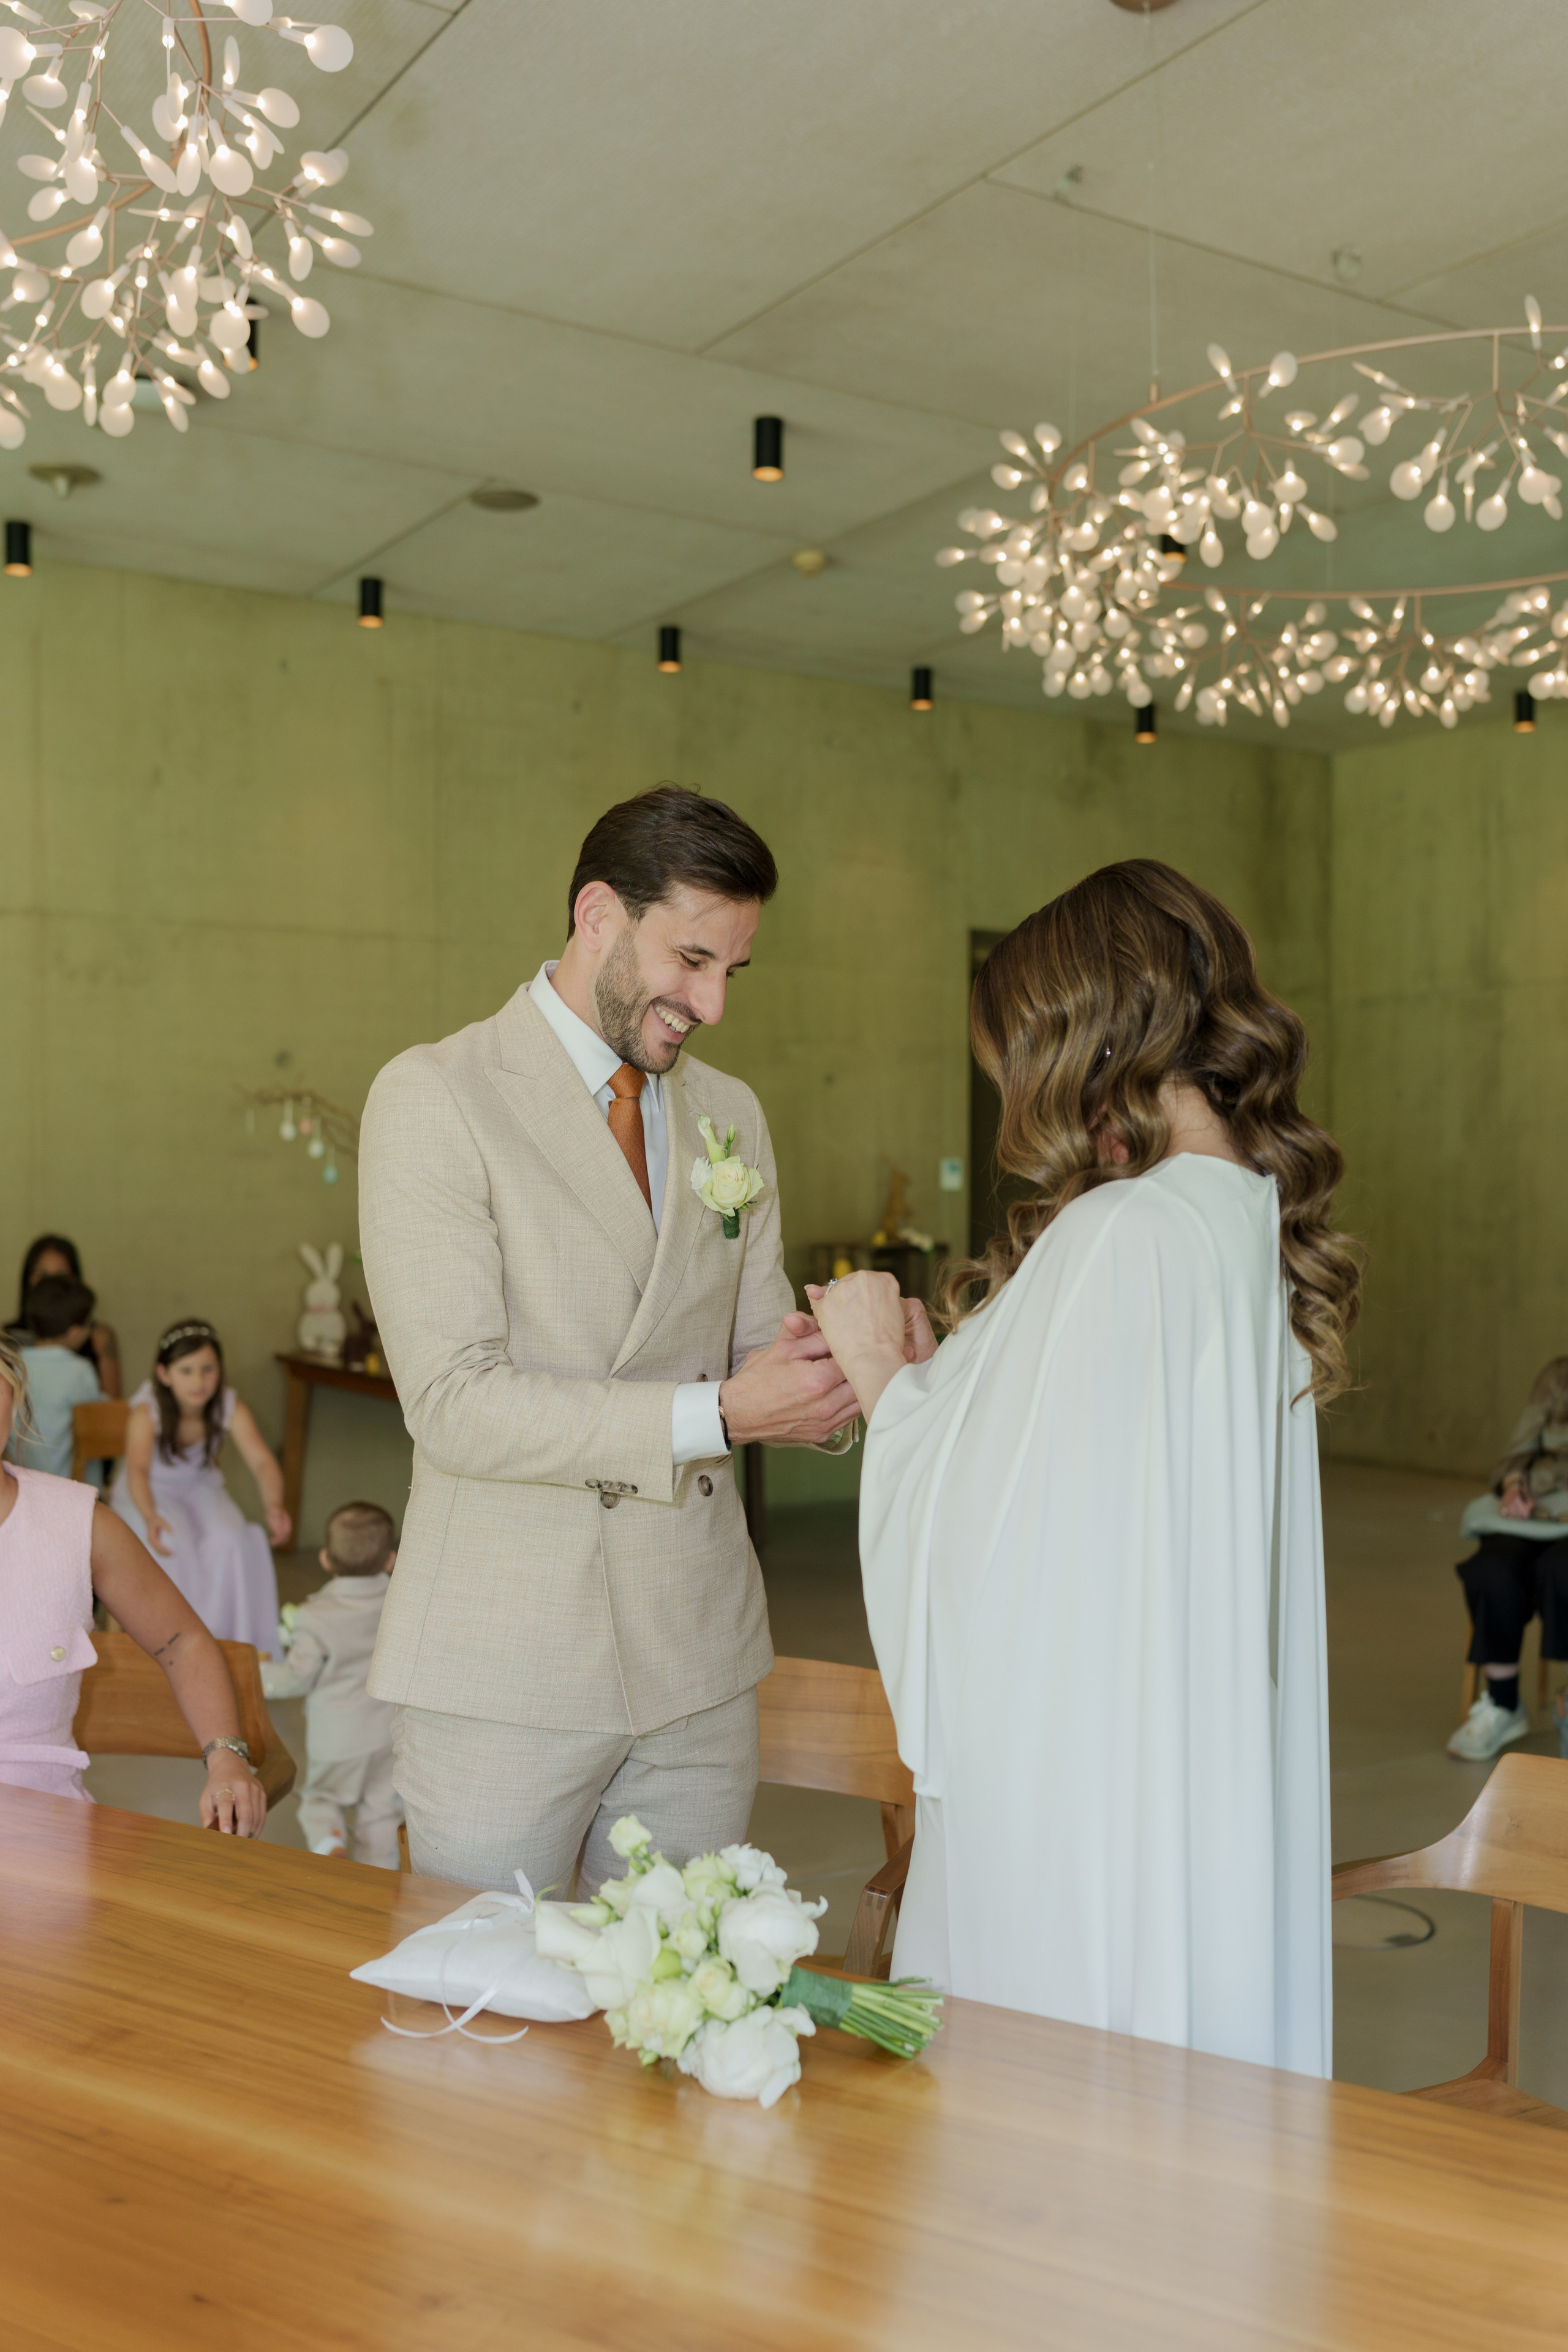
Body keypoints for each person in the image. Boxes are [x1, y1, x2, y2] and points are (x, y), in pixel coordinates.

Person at [812, 858, 1361, 2078]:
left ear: (1079, 1034)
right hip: (1194, 1784)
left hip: (1092, 1810)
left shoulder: (1118, 1234)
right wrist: (946, 1383)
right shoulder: (1235, 1218)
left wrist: (881, 1385)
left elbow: (983, 1554)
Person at [360, 783, 859, 1894]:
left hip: (699, 1658)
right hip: (508, 1661)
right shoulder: (436, 1095)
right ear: (598, 917)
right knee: (480, 2026)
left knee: (680, 2013)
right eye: (692, 960)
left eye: (734, 970)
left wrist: (850, 1371)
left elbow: (752, 1358)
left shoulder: (733, 1113)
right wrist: (722, 1414)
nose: (714, 1004)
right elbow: (455, 1402)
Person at [0, 1333, 266, 1831]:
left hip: (46, 1829)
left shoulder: (78, 1523)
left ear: (13, 1396)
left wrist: (227, 1757)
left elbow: (182, 1642)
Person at [110, 1321, 290, 1657]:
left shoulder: (228, 1404)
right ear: (164, 1374)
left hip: (201, 1486)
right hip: (149, 1490)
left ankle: (229, 1643)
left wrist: (274, 1505)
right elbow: (136, 1470)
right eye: (186, 1370)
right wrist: (150, 1516)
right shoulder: (147, 1410)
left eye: (208, 1369)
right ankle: (180, 1647)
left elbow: (262, 1461)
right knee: (173, 1541)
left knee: (230, 1540)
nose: (198, 1381)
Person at [262, 1501, 402, 1866]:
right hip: (390, 1734)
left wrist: (256, 1674)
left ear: (325, 1559)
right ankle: (379, 1877)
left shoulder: (316, 1616)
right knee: (383, 1811)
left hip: (338, 1738)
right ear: (391, 1559)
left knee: (322, 1799)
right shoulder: (400, 1604)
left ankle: (330, 1846)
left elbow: (297, 1678)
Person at [1446, 1356, 1568, 1762]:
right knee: (1491, 1570)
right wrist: (1515, 1486)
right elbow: (1512, 1457)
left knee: (1561, 1570)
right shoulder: (1556, 1376)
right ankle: (1503, 1704)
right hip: (1535, 1514)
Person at [8, 1275, 104, 1483]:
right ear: (74, 1332)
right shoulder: (79, 1370)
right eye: (90, 1324)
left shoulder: (14, 1365)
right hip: (69, 1488)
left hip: (20, 1485)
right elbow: (99, 1423)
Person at [10, 1234, 121, 1399]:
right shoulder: (7, 1343)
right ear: (27, 1279)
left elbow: (109, 1410)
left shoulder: (99, 1337)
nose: (51, 1286)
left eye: (61, 1276)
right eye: (43, 1275)